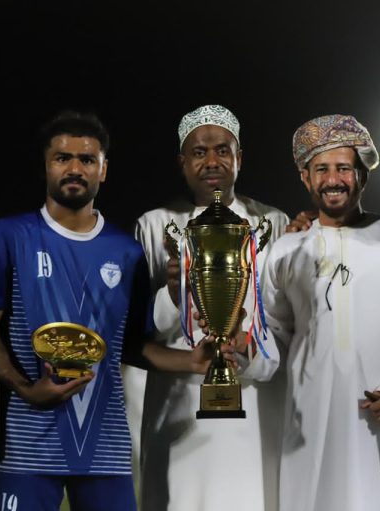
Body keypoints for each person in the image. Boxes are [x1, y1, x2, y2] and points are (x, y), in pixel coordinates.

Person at [0, 111, 223, 511]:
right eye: (63, 158)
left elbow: (130, 346)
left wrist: (192, 361)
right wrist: (26, 390)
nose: (75, 169)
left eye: (87, 159)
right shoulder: (8, 237)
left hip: (105, 450)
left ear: (104, 169)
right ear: (45, 165)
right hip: (26, 446)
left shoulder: (126, 252)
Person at [261, 114, 380, 511]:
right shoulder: (285, 250)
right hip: (309, 418)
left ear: (363, 175)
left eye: (344, 168)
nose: (333, 179)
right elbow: (272, 334)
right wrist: (240, 351)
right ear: (305, 177)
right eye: (321, 169)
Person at [132, 104, 289, 511]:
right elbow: (139, 330)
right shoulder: (156, 225)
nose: (212, 162)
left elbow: (282, 317)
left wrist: (250, 349)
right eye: (199, 152)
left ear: (240, 158)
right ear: (182, 163)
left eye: (223, 150)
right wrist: (172, 293)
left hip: (254, 398)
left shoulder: (271, 222)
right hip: (179, 401)